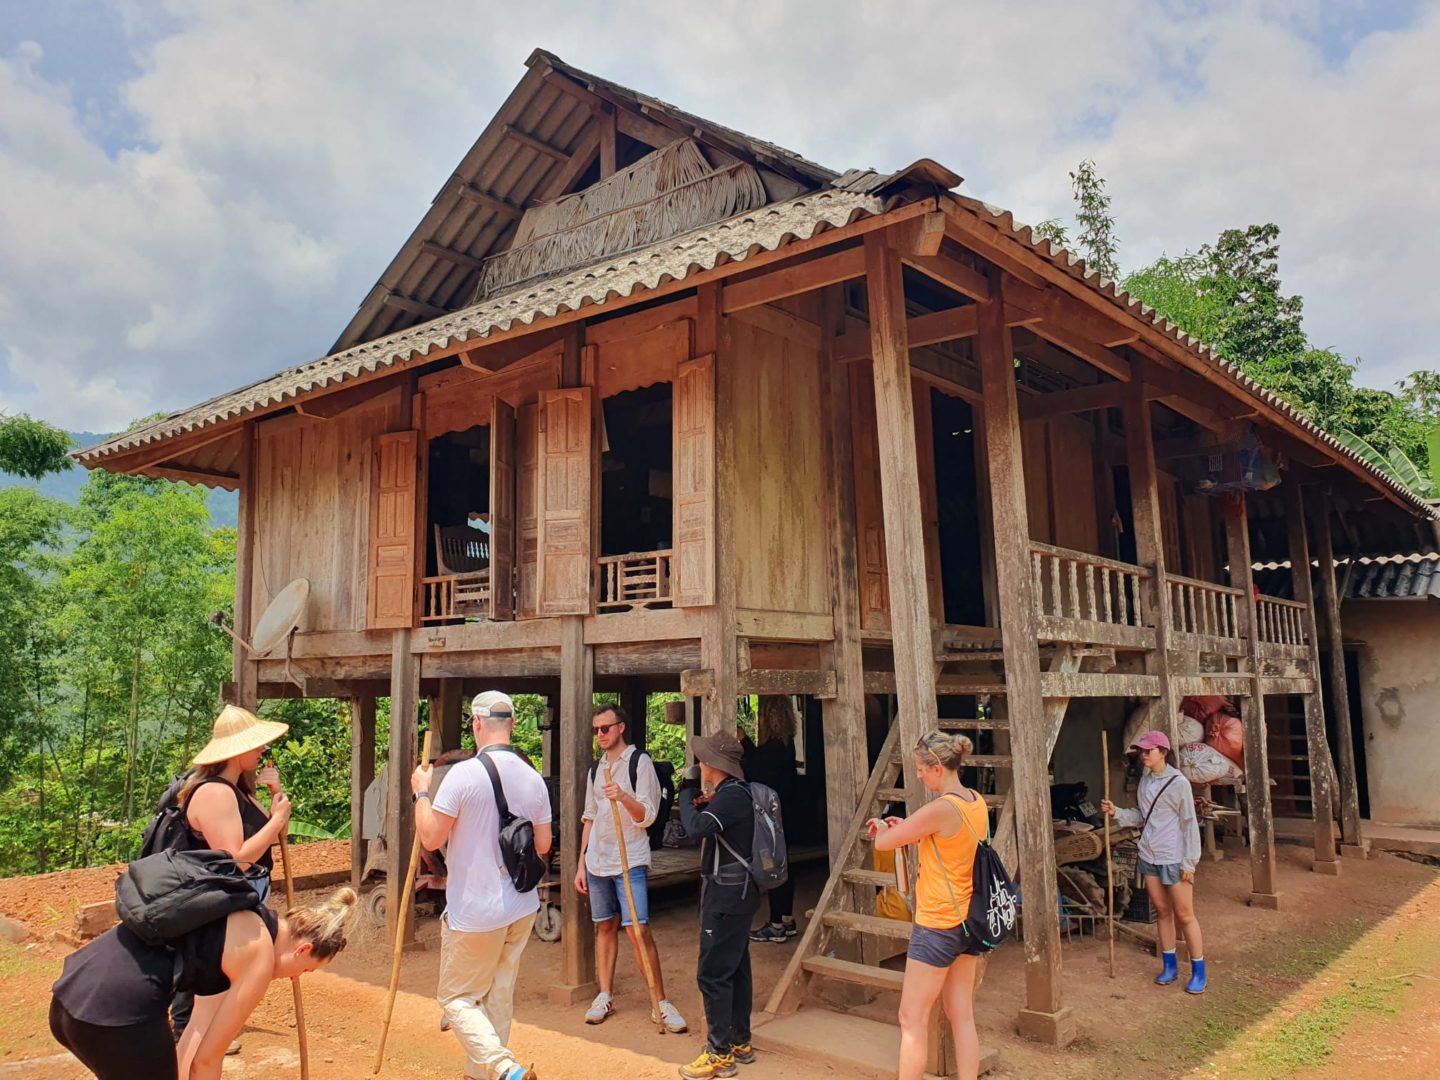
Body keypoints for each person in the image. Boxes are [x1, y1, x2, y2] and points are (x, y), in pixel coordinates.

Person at [50, 885, 357, 1080]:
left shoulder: (240, 913)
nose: (294, 978)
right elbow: (206, 1062)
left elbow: (196, 1033)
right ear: (303, 949)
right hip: (115, 1013)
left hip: (69, 999)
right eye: (305, 970)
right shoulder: (259, 960)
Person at [412, 690, 551, 1080]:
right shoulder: (533, 777)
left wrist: (421, 792)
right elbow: (542, 846)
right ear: (513, 724)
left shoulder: (463, 774)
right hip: (521, 906)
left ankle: (505, 1067)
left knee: (456, 998)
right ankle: (483, 1075)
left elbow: (430, 838)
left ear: (476, 724)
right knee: (498, 995)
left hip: (476, 910)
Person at [867, 731, 988, 1080]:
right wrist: (905, 827)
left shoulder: (939, 808)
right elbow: (942, 839)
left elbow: (884, 845)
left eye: (920, 769)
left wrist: (882, 828)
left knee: (911, 1018)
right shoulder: (974, 801)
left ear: (937, 768)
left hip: (937, 923)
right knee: (961, 1013)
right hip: (967, 920)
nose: (918, 776)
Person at [173, 705, 293, 1043]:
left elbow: (269, 839)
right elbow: (236, 860)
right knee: (211, 967)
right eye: (258, 746)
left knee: (226, 967)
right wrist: (277, 821)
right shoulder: (216, 793)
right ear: (238, 751)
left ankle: (207, 1039)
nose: (263, 752)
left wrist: (275, 802)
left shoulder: (238, 790)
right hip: (227, 892)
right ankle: (191, 1041)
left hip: (248, 889)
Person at [574, 703, 687, 1032]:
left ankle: (660, 1002)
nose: (600, 735)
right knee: (604, 927)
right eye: (596, 730)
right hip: (598, 858)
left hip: (630, 859)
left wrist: (623, 796)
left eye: (605, 729)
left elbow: (647, 816)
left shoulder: (640, 763)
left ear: (621, 727)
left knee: (638, 929)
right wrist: (581, 862)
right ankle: (604, 994)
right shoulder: (595, 770)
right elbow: (589, 817)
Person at [676, 732, 759, 1080]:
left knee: (711, 973)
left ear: (713, 765)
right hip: (740, 891)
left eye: (702, 760)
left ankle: (719, 1053)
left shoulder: (730, 798)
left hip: (726, 895)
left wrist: (683, 793)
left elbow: (695, 829)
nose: (699, 764)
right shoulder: (738, 794)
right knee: (735, 965)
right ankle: (740, 1040)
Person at [1101, 729, 1206, 994]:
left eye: (1148, 751)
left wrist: (1189, 862)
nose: (1143, 755)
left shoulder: (1178, 783)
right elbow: (1142, 816)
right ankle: (1169, 964)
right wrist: (1118, 813)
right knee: (1161, 910)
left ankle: (1198, 971)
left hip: (1174, 855)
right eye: (1141, 751)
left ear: (1163, 753)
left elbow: (1189, 823)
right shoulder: (1146, 780)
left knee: (1185, 914)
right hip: (1148, 853)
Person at [739, 696, 799, 944]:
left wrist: (744, 741)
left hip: (774, 816)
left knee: (773, 867)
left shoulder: (774, 747)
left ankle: (776, 924)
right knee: (785, 866)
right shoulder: (786, 744)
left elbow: (756, 769)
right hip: (789, 811)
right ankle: (785, 918)